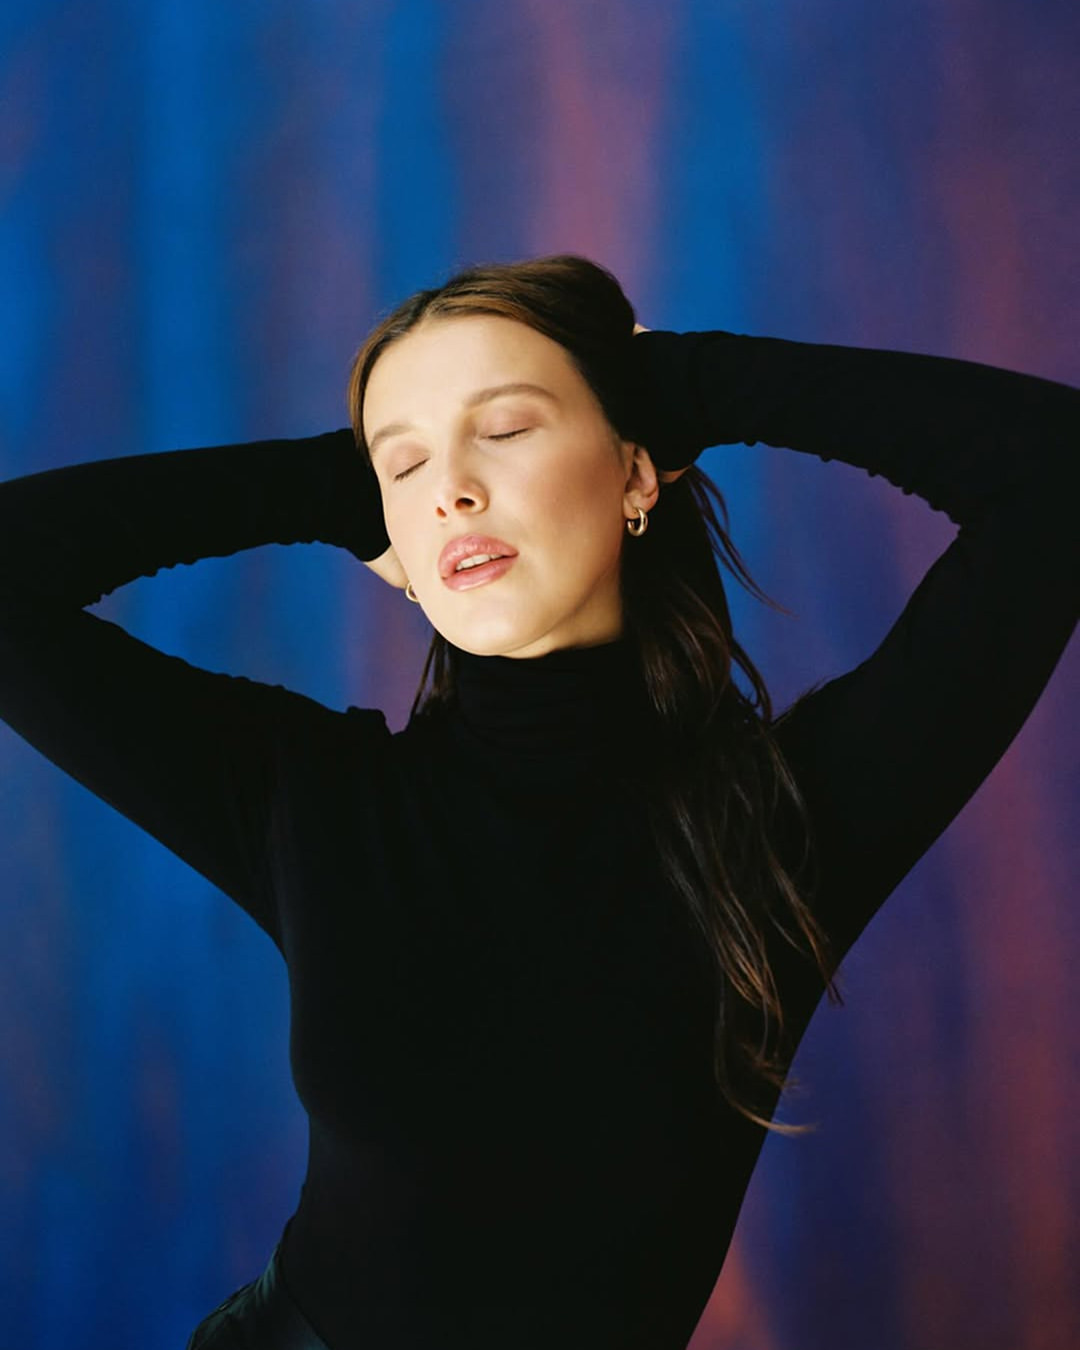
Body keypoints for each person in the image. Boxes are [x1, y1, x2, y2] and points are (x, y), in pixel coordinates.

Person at [0, 253, 1075, 1349]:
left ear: (636, 476)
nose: (452, 487)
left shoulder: (786, 817)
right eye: (404, 462)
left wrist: (691, 386)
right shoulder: (310, 799)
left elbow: (1055, 474)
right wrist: (332, 488)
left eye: (505, 429)